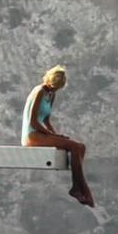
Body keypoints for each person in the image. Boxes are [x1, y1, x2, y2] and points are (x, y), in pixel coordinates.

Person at [21, 65, 94, 207]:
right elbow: (33, 121)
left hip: (41, 133)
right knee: (73, 146)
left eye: (57, 89)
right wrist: (51, 135)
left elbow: (46, 120)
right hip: (32, 135)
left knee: (80, 147)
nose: (54, 90)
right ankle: (80, 188)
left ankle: (77, 186)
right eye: (54, 87)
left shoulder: (51, 94)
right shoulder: (39, 91)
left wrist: (55, 135)